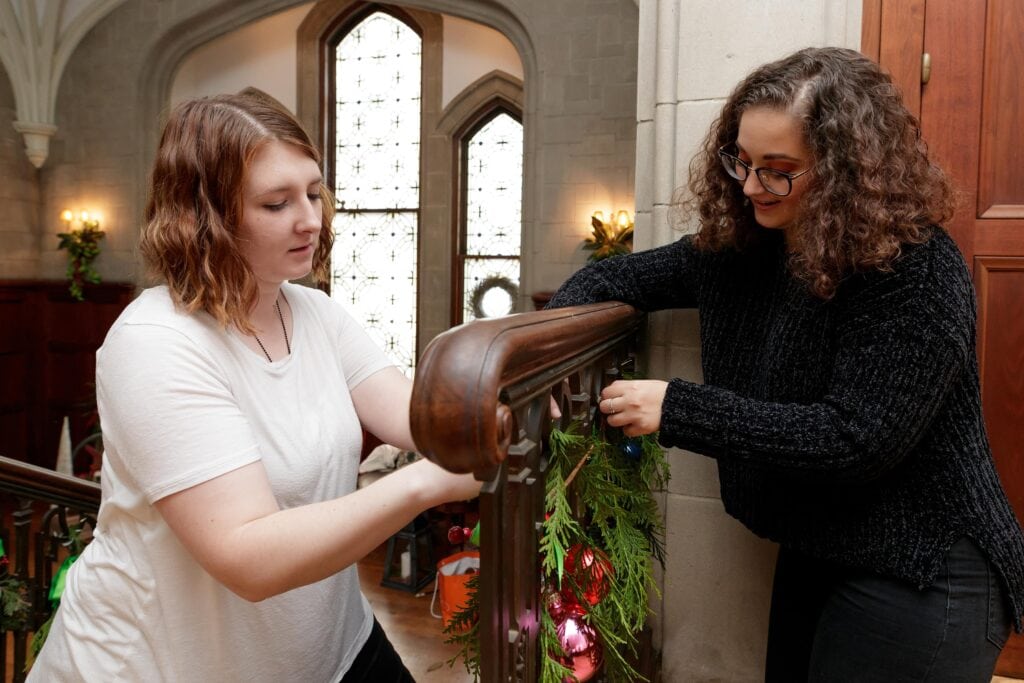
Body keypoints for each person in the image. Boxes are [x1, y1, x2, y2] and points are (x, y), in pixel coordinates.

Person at [547, 47, 1023, 681]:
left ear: (847, 169)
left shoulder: (915, 269)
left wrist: (678, 406)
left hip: (928, 569)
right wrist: (550, 353)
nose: (749, 187)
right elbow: (614, 276)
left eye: (778, 169)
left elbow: (856, 439)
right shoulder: (744, 249)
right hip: (823, 547)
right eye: (741, 161)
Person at [29, 91, 480, 682]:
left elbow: (416, 415)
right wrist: (422, 482)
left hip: (333, 646)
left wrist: (498, 395)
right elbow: (248, 558)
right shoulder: (155, 342)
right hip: (174, 666)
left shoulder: (319, 314)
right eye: (276, 203)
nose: (311, 220)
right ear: (204, 217)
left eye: (314, 193)